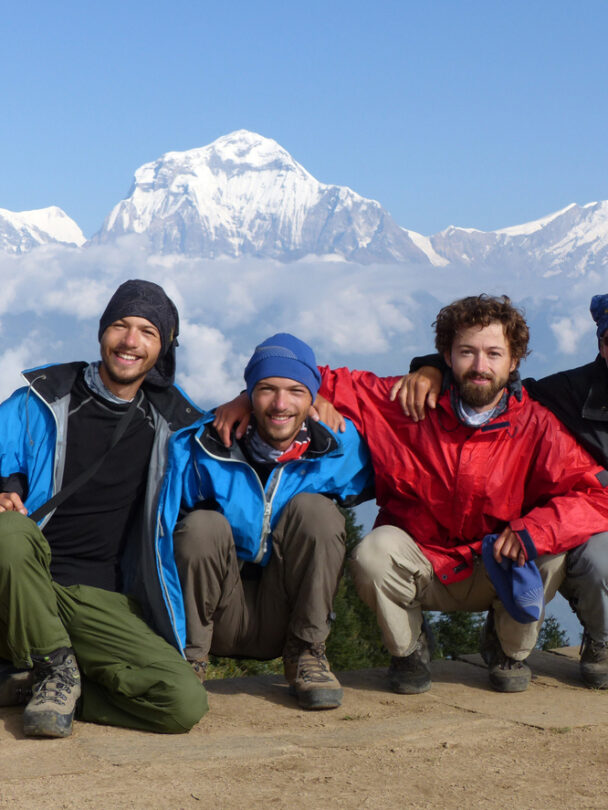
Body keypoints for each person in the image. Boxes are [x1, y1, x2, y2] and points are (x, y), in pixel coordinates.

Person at [316, 295, 608, 694]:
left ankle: (509, 651)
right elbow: (302, 376)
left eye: (493, 354)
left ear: (514, 361)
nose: (480, 366)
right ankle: (408, 650)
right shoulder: (403, 401)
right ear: (446, 356)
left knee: (550, 548)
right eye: (467, 352)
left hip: (497, 563)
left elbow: (591, 496)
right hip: (424, 561)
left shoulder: (537, 425)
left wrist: (533, 531)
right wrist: (264, 396)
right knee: (373, 554)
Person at [0, 279, 208, 737]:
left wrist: (294, 402)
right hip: (22, 580)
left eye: (147, 332)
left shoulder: (174, 426)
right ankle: (55, 667)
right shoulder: (44, 398)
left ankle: (42, 682)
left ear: (163, 347)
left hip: (100, 597)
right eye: (120, 325)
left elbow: (237, 471)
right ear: (101, 333)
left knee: (183, 703)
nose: (130, 341)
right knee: (9, 533)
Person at [173, 333, 373, 710]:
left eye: (296, 391)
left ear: (312, 398)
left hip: (288, 613)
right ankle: (188, 658)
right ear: (249, 394)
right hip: (218, 611)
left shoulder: (339, 449)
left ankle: (308, 654)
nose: (281, 404)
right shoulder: (202, 447)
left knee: (317, 512)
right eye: (266, 390)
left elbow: (409, 455)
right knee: (202, 527)